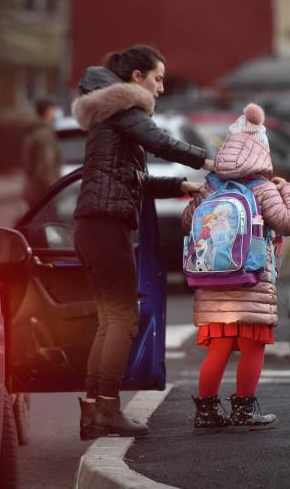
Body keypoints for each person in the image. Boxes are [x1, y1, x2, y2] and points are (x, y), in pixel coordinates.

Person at [71, 45, 213, 439]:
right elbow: (161, 142)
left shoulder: (111, 114)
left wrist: (180, 185)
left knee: (109, 320)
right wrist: (210, 161)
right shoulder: (121, 109)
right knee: (120, 319)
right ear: (137, 78)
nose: (162, 87)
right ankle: (106, 411)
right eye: (158, 78)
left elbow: (131, 178)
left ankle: (96, 412)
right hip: (104, 226)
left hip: (96, 225)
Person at [181, 103, 290, 433]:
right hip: (251, 280)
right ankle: (244, 410)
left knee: (218, 348)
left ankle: (206, 412)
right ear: (260, 150)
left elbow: (188, 222)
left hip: (212, 283)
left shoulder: (210, 186)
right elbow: (288, 223)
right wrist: (288, 190)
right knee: (252, 347)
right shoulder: (263, 189)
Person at [21, 99, 61, 206]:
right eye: (54, 109)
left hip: (34, 192)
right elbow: (45, 168)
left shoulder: (35, 131)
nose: (57, 112)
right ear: (47, 111)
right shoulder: (44, 135)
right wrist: (53, 192)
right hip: (43, 194)